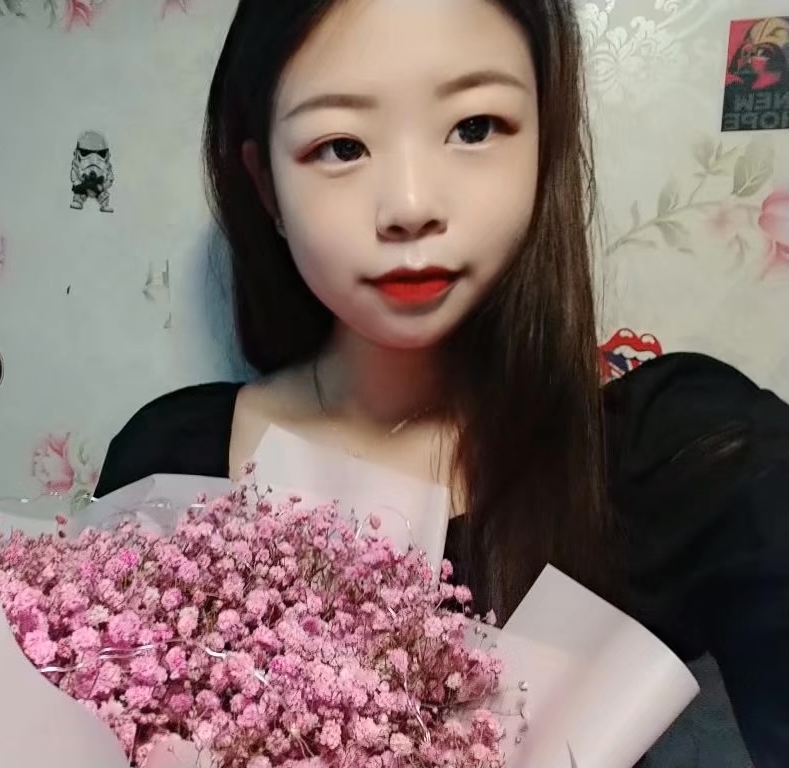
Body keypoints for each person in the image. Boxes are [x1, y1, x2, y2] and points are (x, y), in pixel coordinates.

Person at [95, 1, 789, 764]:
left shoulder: (684, 457)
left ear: (544, 141)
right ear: (267, 188)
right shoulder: (168, 467)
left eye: (475, 128)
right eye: (340, 146)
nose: (411, 207)